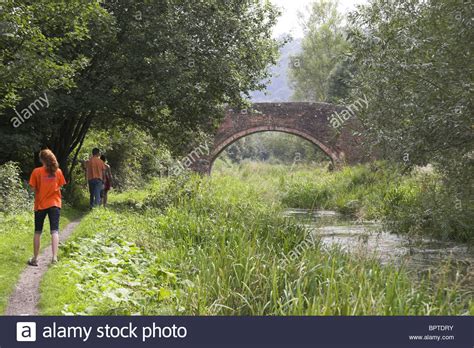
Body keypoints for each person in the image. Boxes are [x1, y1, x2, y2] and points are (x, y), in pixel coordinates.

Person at [28, 149, 66, 266]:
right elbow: (60, 185)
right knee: (54, 231)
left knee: (37, 231)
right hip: (55, 204)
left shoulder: (36, 171)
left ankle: (35, 259)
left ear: (41, 159)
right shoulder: (58, 172)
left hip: (40, 204)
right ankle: (54, 257)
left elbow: (33, 188)